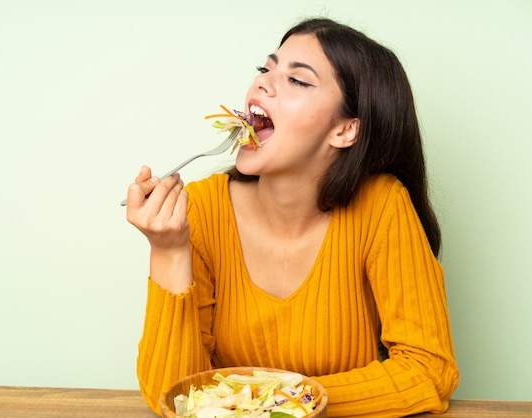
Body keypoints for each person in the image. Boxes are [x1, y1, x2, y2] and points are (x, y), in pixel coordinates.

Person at [125, 16, 459, 417]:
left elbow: (427, 372)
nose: (263, 82)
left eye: (297, 80)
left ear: (346, 130)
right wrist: (167, 250)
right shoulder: (200, 210)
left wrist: (279, 403)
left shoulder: (382, 207)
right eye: (265, 69)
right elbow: (171, 396)